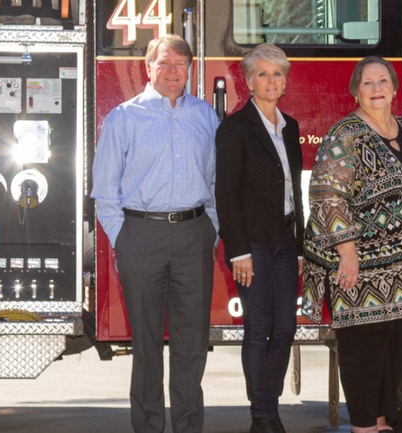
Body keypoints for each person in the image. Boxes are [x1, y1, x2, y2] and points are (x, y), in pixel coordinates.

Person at [301, 56, 402, 433]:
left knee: (394, 351)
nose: (376, 88)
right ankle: (364, 425)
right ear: (356, 92)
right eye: (367, 83)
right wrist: (347, 253)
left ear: (394, 89)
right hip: (362, 270)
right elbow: (327, 196)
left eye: (382, 81)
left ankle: (381, 420)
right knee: (363, 350)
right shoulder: (344, 135)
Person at [91, 34, 219, 433]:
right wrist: (124, 240)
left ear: (190, 69)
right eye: (164, 63)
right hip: (141, 236)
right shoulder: (124, 117)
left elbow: (217, 181)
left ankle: (188, 426)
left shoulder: (205, 116)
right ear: (148, 68)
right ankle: (148, 425)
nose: (172, 72)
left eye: (180, 64)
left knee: (191, 343)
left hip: (194, 235)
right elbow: (104, 191)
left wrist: (211, 230)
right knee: (146, 344)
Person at [214, 43, 302, 433]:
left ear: (285, 81)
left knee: (286, 327)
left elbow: (294, 190)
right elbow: (226, 193)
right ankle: (262, 414)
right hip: (253, 245)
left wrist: (300, 247)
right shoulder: (234, 128)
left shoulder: (290, 126)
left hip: (285, 241)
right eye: (263, 74)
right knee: (259, 326)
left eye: (277, 73)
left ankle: (270, 404)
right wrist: (239, 252)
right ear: (249, 82)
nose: (271, 80)